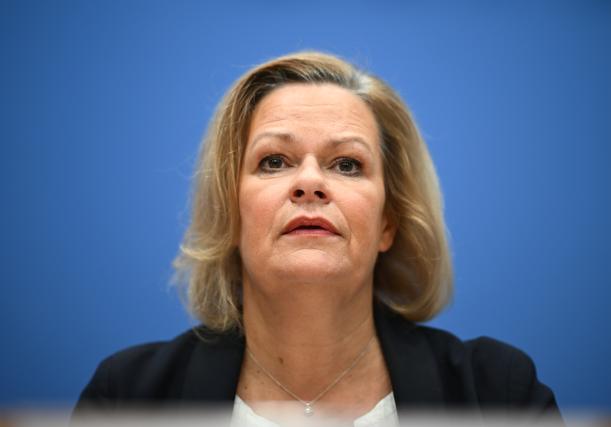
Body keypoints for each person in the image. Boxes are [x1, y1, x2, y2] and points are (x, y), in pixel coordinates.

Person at [75, 51, 561, 426]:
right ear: (232, 212)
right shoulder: (128, 397)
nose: (309, 184)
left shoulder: (497, 392)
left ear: (388, 222)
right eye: (274, 161)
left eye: (347, 164)